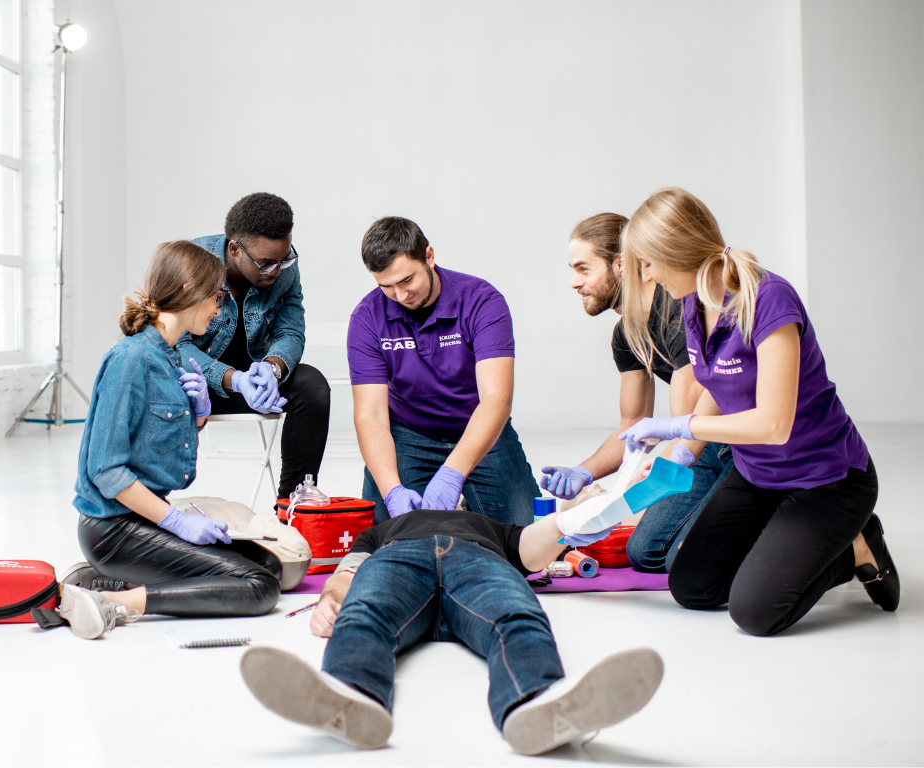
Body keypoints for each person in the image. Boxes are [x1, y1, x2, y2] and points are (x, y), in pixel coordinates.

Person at [617, 187, 898, 636]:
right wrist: (683, 452)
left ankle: (856, 549)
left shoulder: (768, 300)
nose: (646, 275)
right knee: (691, 587)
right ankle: (796, 543)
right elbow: (716, 384)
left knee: (756, 613)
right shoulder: (692, 304)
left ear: (673, 251)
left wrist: (679, 423)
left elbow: (773, 423)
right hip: (758, 475)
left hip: (827, 480)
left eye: (646, 263)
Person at [240, 507, 664, 754]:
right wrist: (332, 600)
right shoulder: (379, 530)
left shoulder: (491, 525)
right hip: (398, 557)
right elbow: (346, 575)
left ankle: (537, 701)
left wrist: (574, 518)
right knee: (362, 612)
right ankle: (351, 696)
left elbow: (534, 549)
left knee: (517, 615)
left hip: (478, 558)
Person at [59, 241, 282, 640]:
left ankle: (107, 580)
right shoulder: (130, 358)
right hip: (112, 528)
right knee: (259, 587)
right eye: (216, 297)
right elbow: (106, 469)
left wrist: (199, 415)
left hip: (143, 516)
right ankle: (115, 604)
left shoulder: (173, 356)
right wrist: (177, 523)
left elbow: (159, 448)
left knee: (272, 565)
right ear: (187, 291)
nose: (218, 310)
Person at [540, 213, 731, 573]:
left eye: (583, 269)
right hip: (699, 445)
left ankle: (810, 528)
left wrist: (626, 500)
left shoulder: (676, 312)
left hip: (728, 440)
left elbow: (689, 429)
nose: (574, 283)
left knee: (688, 558)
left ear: (621, 265)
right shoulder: (625, 336)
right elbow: (634, 422)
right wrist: (583, 473)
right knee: (646, 552)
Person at [347, 216, 539, 526]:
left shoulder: (481, 301)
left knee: (526, 536)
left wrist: (452, 474)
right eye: (387, 286)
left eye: (407, 280)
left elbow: (496, 399)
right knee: (391, 538)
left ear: (429, 257)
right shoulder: (367, 318)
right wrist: (392, 489)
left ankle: (464, 509)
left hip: (480, 430)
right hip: (409, 435)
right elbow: (370, 415)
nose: (400, 295)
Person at [179, 193, 331, 502]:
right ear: (234, 248)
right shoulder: (193, 262)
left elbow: (290, 329)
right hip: (199, 386)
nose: (275, 271)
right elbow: (175, 345)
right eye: (265, 263)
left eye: (284, 258)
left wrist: (273, 368)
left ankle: (293, 508)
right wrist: (233, 379)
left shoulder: (285, 270)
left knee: (312, 387)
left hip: (260, 383)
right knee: (165, 385)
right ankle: (156, 506)